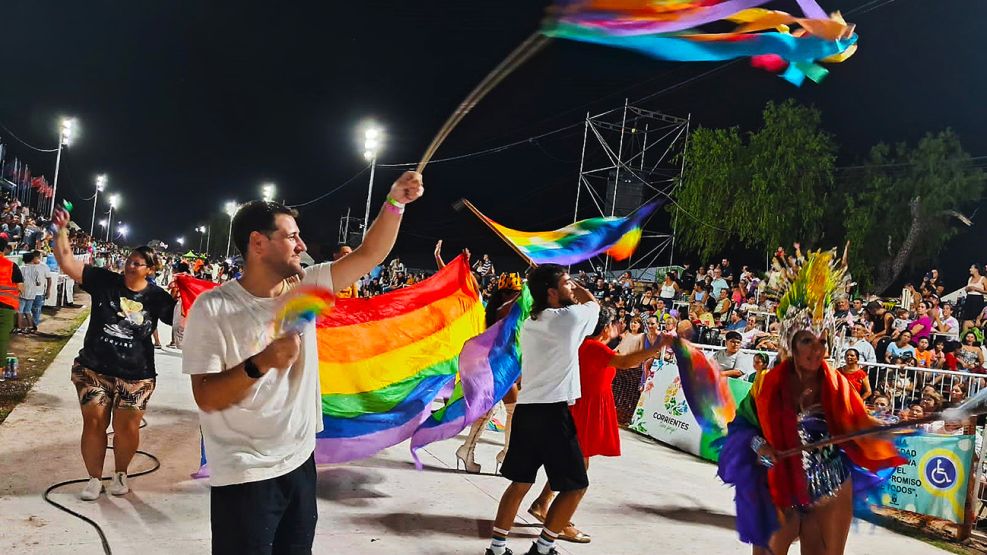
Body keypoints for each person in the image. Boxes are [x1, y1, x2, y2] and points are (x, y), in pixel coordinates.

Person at [182, 172, 423, 553]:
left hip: (299, 463)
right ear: (258, 243)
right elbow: (207, 396)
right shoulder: (214, 309)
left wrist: (394, 203)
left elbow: (370, 254)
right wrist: (261, 362)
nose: (302, 245)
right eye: (291, 236)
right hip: (246, 474)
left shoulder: (304, 290)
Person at [718, 250, 905, 554]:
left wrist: (889, 428)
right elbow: (741, 429)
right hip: (778, 478)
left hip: (828, 482)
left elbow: (860, 427)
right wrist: (761, 448)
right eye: (807, 341)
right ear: (790, 343)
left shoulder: (838, 385)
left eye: (822, 342)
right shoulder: (766, 385)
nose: (816, 351)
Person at [52, 209, 176, 501]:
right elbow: (67, 262)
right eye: (129, 261)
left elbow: (182, 320)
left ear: (150, 269)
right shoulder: (103, 280)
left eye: (137, 263)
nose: (130, 266)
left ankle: (120, 473)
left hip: (137, 374)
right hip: (93, 368)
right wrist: (60, 231)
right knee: (94, 421)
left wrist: (183, 296)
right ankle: (94, 478)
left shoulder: (157, 297)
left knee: (126, 426)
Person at [526, 307, 671, 544]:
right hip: (584, 412)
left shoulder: (588, 345)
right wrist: (654, 348)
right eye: (615, 324)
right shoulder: (593, 347)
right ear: (606, 327)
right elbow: (623, 363)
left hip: (583, 409)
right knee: (577, 469)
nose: (618, 328)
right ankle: (558, 522)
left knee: (573, 463)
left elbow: (620, 362)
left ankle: (543, 503)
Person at [486, 264, 599, 555]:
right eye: (566, 282)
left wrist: (557, 282)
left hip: (527, 411)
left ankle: (497, 549)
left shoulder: (531, 322)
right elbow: (594, 306)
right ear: (551, 292)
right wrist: (583, 291)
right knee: (575, 486)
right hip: (553, 414)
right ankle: (544, 546)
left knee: (520, 482)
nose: (572, 286)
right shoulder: (570, 318)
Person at [17, 250, 51, 334]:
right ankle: (32, 326)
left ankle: (20, 327)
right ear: (31, 259)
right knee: (28, 311)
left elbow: (19, 281)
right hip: (32, 294)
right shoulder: (35, 269)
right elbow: (38, 282)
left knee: (20, 311)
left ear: (23, 260)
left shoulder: (21, 268)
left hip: (23, 292)